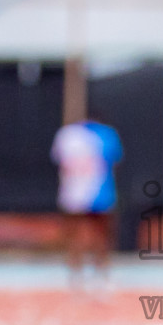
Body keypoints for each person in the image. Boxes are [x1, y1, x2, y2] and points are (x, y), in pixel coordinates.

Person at [51, 115, 122, 288]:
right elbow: (115, 160)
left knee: (74, 236)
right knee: (102, 236)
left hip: (73, 193)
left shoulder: (67, 135)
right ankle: (102, 275)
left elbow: (59, 160)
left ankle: (76, 276)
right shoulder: (106, 134)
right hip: (100, 192)